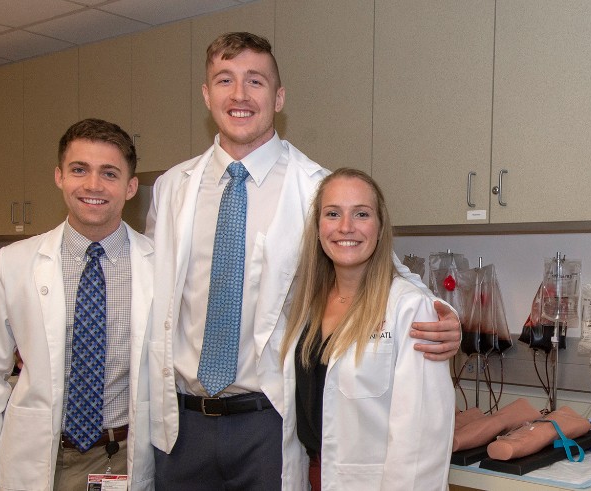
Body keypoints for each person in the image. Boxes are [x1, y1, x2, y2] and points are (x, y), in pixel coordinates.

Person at [145, 32, 461, 490]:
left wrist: (443, 314)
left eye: (255, 81)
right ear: (205, 94)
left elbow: (380, 260)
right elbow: (158, 293)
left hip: (265, 423)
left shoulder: (316, 187)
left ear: (278, 97)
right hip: (182, 424)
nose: (239, 95)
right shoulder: (172, 188)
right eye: (224, 80)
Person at [0, 119, 154, 491]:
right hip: (39, 458)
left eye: (109, 173)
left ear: (131, 186)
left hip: (123, 456)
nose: (93, 185)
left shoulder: (161, 265)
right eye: (79, 170)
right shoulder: (14, 264)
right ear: (59, 176)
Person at [278, 168, 455, 489]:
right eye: (333, 214)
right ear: (318, 227)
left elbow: (422, 438)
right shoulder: (305, 305)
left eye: (361, 214)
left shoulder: (408, 307)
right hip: (313, 476)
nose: (346, 227)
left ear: (380, 227)